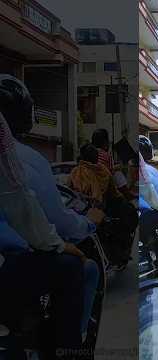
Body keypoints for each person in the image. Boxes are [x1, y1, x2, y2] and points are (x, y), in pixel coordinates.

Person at [0, 75, 101, 347]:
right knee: (76, 268)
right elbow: (24, 204)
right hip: (16, 258)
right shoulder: (23, 158)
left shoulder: (73, 171)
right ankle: (70, 348)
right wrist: (67, 238)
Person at [70, 143, 138, 266]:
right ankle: (120, 254)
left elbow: (70, 191)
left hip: (77, 210)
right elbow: (115, 193)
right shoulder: (102, 170)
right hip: (98, 209)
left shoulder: (75, 171)